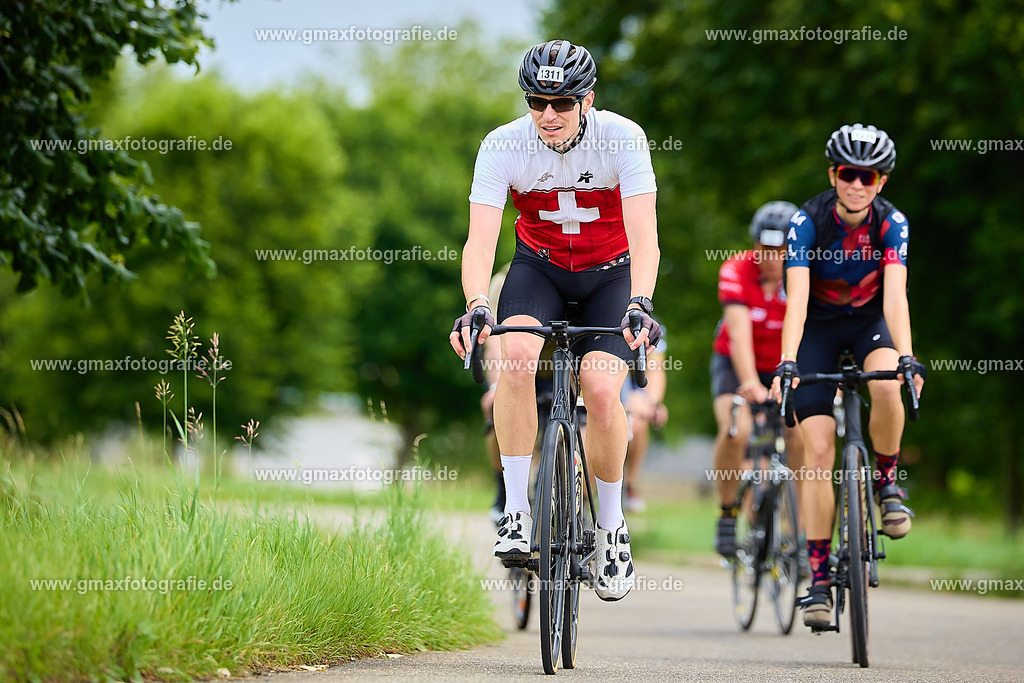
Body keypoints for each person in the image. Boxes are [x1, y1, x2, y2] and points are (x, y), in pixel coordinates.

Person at [449, 39, 660, 602]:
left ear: (587, 99)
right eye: (537, 101)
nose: (548, 115)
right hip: (538, 269)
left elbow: (644, 236)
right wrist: (475, 304)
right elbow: (480, 238)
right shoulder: (502, 145)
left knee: (599, 386)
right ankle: (517, 509)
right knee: (515, 358)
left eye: (562, 103)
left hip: (610, 276)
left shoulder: (624, 138)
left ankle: (612, 527)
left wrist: (641, 300)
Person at [769, 123, 926, 628]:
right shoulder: (806, 221)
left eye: (869, 176)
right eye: (847, 174)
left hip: (868, 324)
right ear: (833, 174)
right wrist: (787, 362)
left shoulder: (891, 223)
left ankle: (886, 483)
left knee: (886, 383)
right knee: (815, 452)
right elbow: (794, 302)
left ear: (881, 182)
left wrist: (906, 355)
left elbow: (896, 296)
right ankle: (818, 579)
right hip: (816, 328)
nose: (857, 184)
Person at [710, 201, 805, 557]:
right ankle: (726, 513)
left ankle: (800, 532)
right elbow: (738, 334)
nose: (773, 259)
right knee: (739, 430)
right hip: (736, 363)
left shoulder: (804, 273)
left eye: (782, 251)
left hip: (785, 363)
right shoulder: (735, 268)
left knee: (799, 432)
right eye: (765, 250)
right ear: (755, 245)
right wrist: (750, 383)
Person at [621, 326, 668, 513]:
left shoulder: (648, 324)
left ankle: (629, 484)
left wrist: (652, 403)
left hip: (630, 385)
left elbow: (656, 369)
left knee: (637, 421)